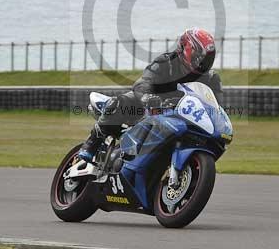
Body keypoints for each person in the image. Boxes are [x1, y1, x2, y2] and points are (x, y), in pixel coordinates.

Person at [77, 27, 222, 163]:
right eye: (200, 56)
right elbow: (143, 83)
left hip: (181, 117)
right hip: (152, 108)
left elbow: (215, 105)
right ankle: (91, 144)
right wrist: (147, 97)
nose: (203, 62)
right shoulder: (166, 62)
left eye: (208, 58)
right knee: (123, 101)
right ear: (186, 48)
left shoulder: (211, 78)